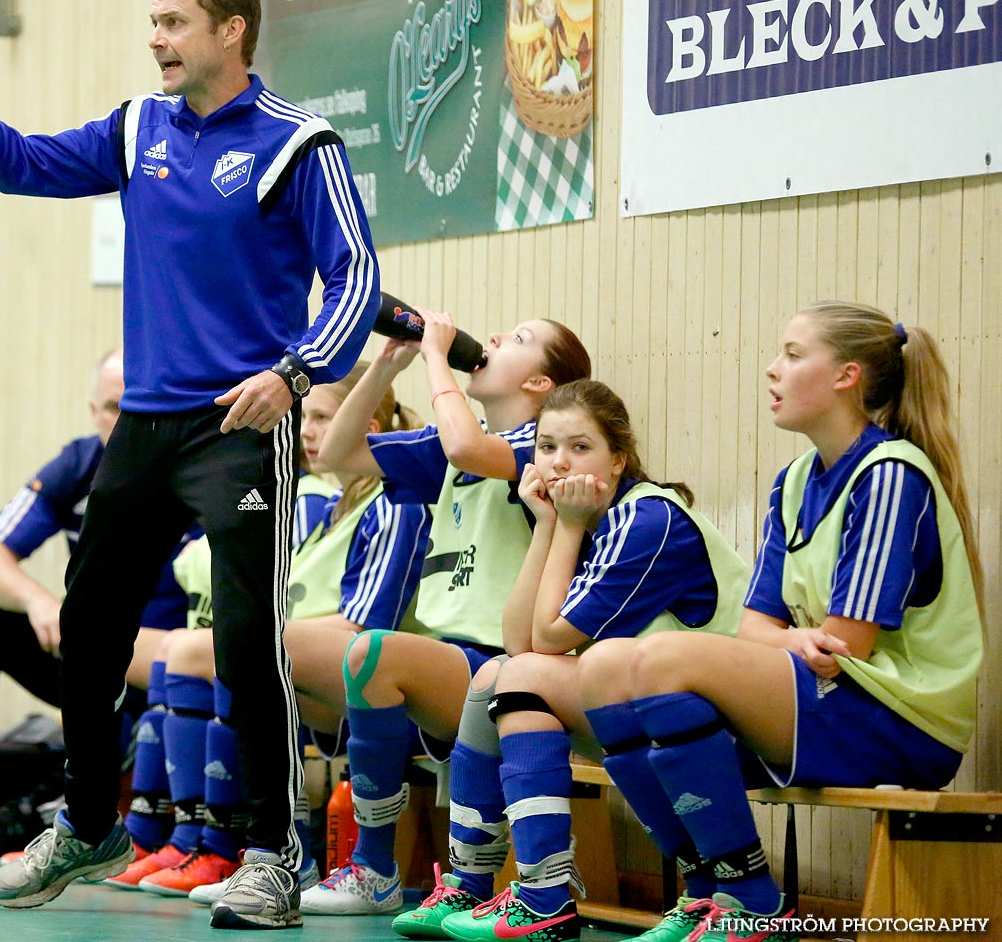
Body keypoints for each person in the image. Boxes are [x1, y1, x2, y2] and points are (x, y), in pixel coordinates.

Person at [0, 0, 379, 923]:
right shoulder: (136, 129)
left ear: (230, 31)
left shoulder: (301, 144)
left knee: (248, 640)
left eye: (171, 23)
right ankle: (87, 821)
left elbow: (358, 280)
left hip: (241, 428)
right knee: (86, 625)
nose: (154, 39)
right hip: (146, 430)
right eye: (152, 22)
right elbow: (20, 162)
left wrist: (291, 376)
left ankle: (269, 854)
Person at [575, 302, 984, 942]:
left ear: (846, 376)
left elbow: (846, 646)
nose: (773, 369)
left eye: (793, 355)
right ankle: (708, 886)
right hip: (832, 694)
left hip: (904, 718)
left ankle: (750, 897)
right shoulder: (794, 480)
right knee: (600, 670)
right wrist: (792, 638)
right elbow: (755, 629)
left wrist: (789, 641)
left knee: (660, 661)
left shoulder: (890, 475)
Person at [416, 380, 746, 942]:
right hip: (646, 705)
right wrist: (548, 523)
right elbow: (518, 640)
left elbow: (543, 642)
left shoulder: (643, 520)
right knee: (496, 672)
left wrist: (563, 525)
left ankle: (543, 896)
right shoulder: (593, 520)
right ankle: (473, 882)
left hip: (725, 719)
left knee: (517, 675)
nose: (559, 462)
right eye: (545, 447)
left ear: (618, 460)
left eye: (579, 447)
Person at [299, 309, 591, 916]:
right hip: (450, 660)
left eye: (517, 339)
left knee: (371, 651)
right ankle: (273, 851)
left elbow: (465, 443)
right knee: (284, 652)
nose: (491, 339)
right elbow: (336, 452)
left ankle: (374, 866)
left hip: (512, 663)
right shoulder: (456, 449)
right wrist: (386, 366)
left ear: (540, 384)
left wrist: (436, 356)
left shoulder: (540, 449)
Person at [112, 364, 430, 899]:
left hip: (366, 664)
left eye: (324, 418)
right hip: (317, 655)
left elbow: (368, 621)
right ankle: (200, 841)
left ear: (366, 424)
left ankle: (215, 846)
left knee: (225, 650)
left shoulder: (395, 502)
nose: (306, 431)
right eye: (307, 418)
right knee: (135, 644)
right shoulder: (330, 505)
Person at [0, 349, 193, 861]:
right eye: (114, 406)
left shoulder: (197, 472)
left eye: (139, 404)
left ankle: (38, 815)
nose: (126, 419)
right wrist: (41, 603)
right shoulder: (79, 464)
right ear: (93, 412)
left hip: (165, 671)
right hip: (90, 660)